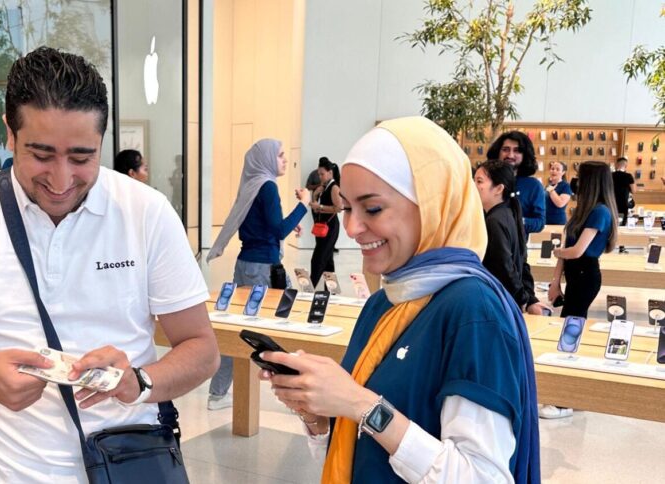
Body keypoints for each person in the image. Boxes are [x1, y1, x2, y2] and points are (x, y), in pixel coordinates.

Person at [0, 47, 220, 482]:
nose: (61, 180)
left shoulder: (146, 211)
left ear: (104, 139)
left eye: (82, 158)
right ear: (9, 133)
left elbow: (201, 349)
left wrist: (140, 381)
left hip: (127, 466)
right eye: (41, 154)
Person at [261, 117, 539, 483]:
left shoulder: (472, 309)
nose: (353, 227)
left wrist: (360, 404)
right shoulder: (384, 302)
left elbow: (482, 477)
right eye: (347, 208)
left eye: (372, 209)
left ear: (432, 204)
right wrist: (317, 414)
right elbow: (360, 450)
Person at [206, 139, 311, 410]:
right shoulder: (267, 187)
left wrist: (288, 225)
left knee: (240, 326)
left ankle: (217, 393)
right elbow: (278, 231)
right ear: (266, 160)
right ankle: (298, 394)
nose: (285, 159)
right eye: (280, 155)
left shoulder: (252, 184)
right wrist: (303, 206)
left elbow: (265, 226)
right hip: (262, 269)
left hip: (247, 265)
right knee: (287, 322)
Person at [545, 161, 618, 420]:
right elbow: (568, 250)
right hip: (575, 276)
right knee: (569, 330)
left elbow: (577, 251)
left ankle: (566, 399)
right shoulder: (582, 211)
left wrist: (556, 251)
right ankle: (568, 394)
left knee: (571, 333)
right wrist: (555, 282)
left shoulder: (600, 212)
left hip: (586, 276)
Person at [487, 131, 549, 315]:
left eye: (516, 150)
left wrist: (514, 221)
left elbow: (539, 222)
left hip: (515, 254)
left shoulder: (532, 186)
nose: (510, 155)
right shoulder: (487, 182)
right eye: (505, 149)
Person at [475, 160, 532, 310]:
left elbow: (504, 265)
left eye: (479, 181)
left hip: (500, 300)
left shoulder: (494, 220)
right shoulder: (507, 212)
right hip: (507, 298)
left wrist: (522, 297)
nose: (473, 186)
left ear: (499, 188)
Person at [309, 158, 343, 288]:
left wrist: (321, 206)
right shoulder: (324, 187)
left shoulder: (334, 187)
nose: (320, 176)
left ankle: (309, 288)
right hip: (322, 227)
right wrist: (315, 196)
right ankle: (330, 290)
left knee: (318, 258)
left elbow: (339, 208)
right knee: (327, 260)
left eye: (322, 174)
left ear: (330, 172)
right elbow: (315, 206)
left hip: (330, 227)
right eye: (319, 174)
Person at [611, 157, 635, 225]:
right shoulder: (628, 176)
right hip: (623, 204)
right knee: (621, 224)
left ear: (616, 164)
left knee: (611, 223)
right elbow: (633, 191)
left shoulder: (610, 175)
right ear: (626, 166)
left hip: (611, 202)